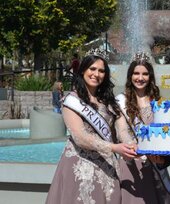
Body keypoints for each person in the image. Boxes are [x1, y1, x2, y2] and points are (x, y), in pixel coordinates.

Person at [46, 48, 137, 204]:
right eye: (92, 69)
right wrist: (115, 148)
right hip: (81, 166)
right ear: (83, 71)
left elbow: (121, 130)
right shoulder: (72, 100)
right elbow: (80, 137)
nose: (96, 74)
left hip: (107, 168)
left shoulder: (108, 101)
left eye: (101, 71)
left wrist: (131, 145)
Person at [116, 52, 170, 204]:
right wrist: (135, 148)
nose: (140, 78)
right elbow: (122, 130)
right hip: (132, 161)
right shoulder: (121, 100)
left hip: (154, 163)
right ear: (130, 76)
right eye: (136, 73)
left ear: (150, 77)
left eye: (145, 74)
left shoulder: (157, 100)